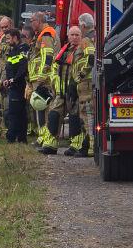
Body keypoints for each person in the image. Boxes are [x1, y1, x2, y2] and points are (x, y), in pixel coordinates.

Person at [39, 24, 78, 155]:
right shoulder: (64, 51)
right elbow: (54, 69)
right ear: (68, 36)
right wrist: (55, 84)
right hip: (60, 92)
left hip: (75, 94)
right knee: (53, 115)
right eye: (72, 35)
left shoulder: (83, 52)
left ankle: (76, 146)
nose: (74, 37)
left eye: (77, 35)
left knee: (75, 119)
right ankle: (50, 144)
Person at [65, 14, 97, 157]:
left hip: (86, 84)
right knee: (88, 114)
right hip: (88, 83)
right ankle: (89, 145)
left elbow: (91, 58)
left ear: (83, 26)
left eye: (79, 25)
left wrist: (80, 76)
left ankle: (91, 147)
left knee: (87, 114)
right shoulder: (93, 36)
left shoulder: (85, 40)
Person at [27, 12, 58, 147]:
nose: (30, 23)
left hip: (44, 78)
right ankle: (43, 136)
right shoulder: (42, 34)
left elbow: (48, 56)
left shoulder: (46, 35)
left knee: (42, 107)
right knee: (40, 107)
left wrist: (42, 76)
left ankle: (44, 137)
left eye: (32, 20)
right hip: (40, 77)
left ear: (38, 21)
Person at [0, 27, 30, 142]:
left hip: (19, 86)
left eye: (8, 38)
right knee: (20, 113)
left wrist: (13, 80)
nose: (7, 41)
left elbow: (23, 67)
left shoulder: (23, 49)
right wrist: (8, 79)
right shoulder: (13, 51)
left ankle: (11, 138)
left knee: (14, 113)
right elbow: (10, 68)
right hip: (14, 85)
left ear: (15, 37)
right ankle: (22, 139)